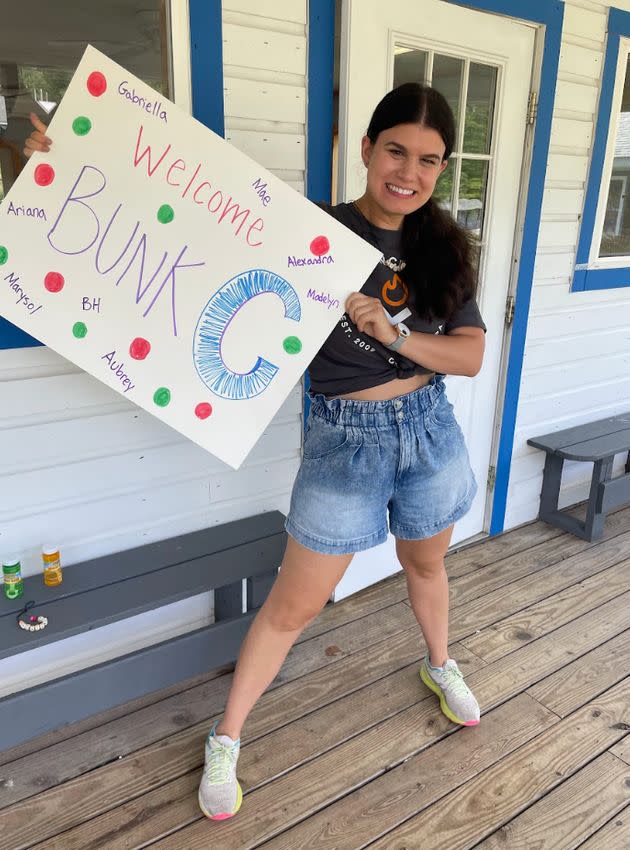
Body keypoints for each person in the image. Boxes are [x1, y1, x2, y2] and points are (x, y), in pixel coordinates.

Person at [24, 82, 486, 822]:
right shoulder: (312, 234)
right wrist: (67, 161)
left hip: (431, 434)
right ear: (366, 150)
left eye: (430, 160)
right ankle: (227, 736)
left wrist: (394, 335)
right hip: (344, 442)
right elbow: (182, 235)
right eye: (396, 150)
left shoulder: (446, 245)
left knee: (425, 565)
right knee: (291, 607)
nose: (410, 172)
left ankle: (440, 663)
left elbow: (468, 356)